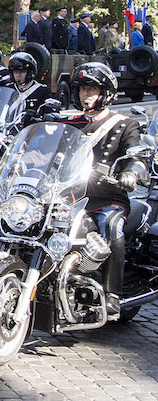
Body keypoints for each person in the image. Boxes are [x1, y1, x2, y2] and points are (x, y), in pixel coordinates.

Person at [65, 62, 144, 315]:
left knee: (111, 225)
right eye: (83, 90)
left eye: (92, 90)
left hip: (108, 197)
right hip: (72, 196)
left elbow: (135, 154)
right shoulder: (70, 123)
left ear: (105, 93)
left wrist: (132, 171)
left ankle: (112, 294)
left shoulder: (124, 124)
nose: (86, 95)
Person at [5, 52, 50, 116]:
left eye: (22, 72)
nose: (18, 75)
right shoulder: (7, 89)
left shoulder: (42, 90)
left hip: (31, 125)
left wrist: (48, 114)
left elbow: (50, 109)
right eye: (16, 72)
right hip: (9, 125)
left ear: (30, 72)